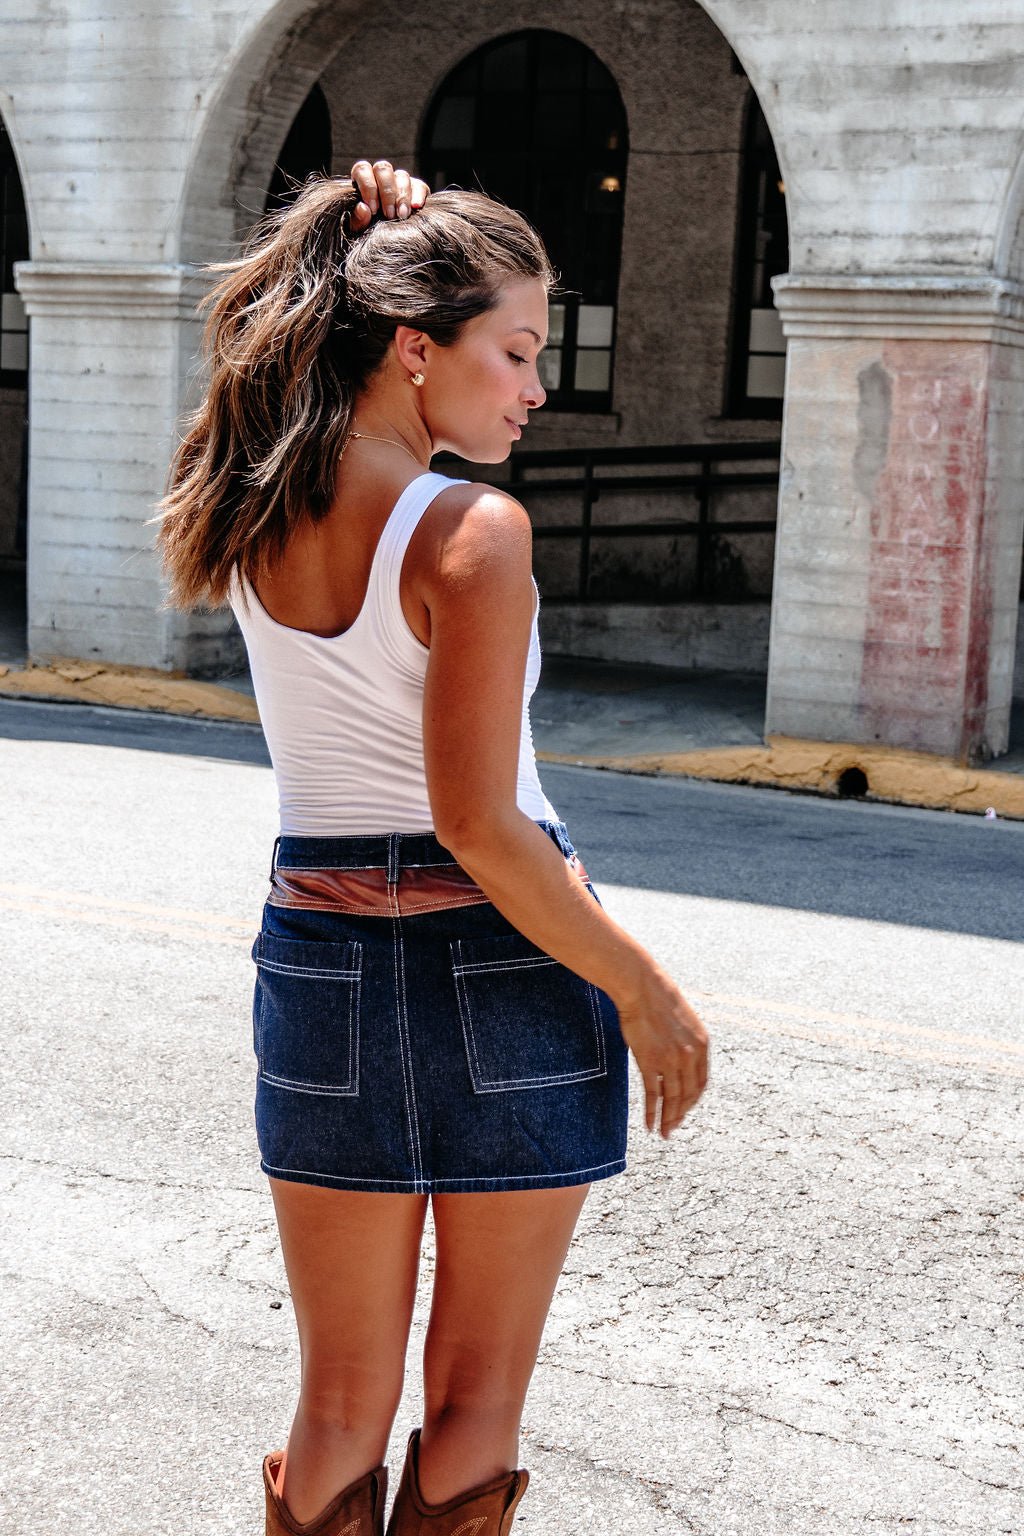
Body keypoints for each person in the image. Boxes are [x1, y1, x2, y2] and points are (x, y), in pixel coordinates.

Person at [155, 158, 709, 1536]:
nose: (533, 388)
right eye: (514, 351)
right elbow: (477, 821)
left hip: (323, 958)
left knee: (338, 1396)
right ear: (416, 349)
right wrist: (644, 986)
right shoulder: (471, 530)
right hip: (508, 965)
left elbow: (271, 347)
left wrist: (359, 225)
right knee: (473, 1402)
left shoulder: (251, 507)